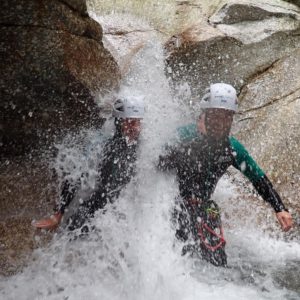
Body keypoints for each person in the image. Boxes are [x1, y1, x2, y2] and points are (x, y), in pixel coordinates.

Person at [157, 83, 293, 266]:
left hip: (205, 207)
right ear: (205, 115)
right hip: (174, 206)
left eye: (226, 118)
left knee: (217, 264)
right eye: (216, 117)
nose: (221, 123)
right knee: (182, 258)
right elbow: (155, 165)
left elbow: (258, 178)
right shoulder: (183, 137)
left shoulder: (232, 149)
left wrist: (279, 208)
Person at [32, 96, 144, 231]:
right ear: (119, 122)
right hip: (100, 202)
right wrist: (59, 214)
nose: (134, 128)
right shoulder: (102, 144)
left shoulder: (147, 144)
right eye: (129, 122)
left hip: (126, 204)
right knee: (74, 228)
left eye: (137, 122)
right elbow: (75, 176)